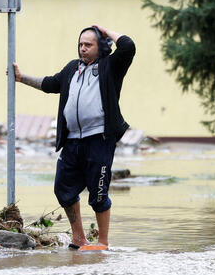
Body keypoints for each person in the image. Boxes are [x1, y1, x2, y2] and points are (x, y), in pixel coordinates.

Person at [13, 24, 135, 251]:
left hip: (99, 139)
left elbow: (128, 46)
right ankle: (79, 239)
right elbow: (50, 84)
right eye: (80, 44)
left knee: (98, 193)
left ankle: (103, 243)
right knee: (63, 190)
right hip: (72, 141)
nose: (83, 49)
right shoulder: (72, 69)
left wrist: (106, 32)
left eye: (88, 44)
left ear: (101, 47)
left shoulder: (110, 66)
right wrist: (21, 78)